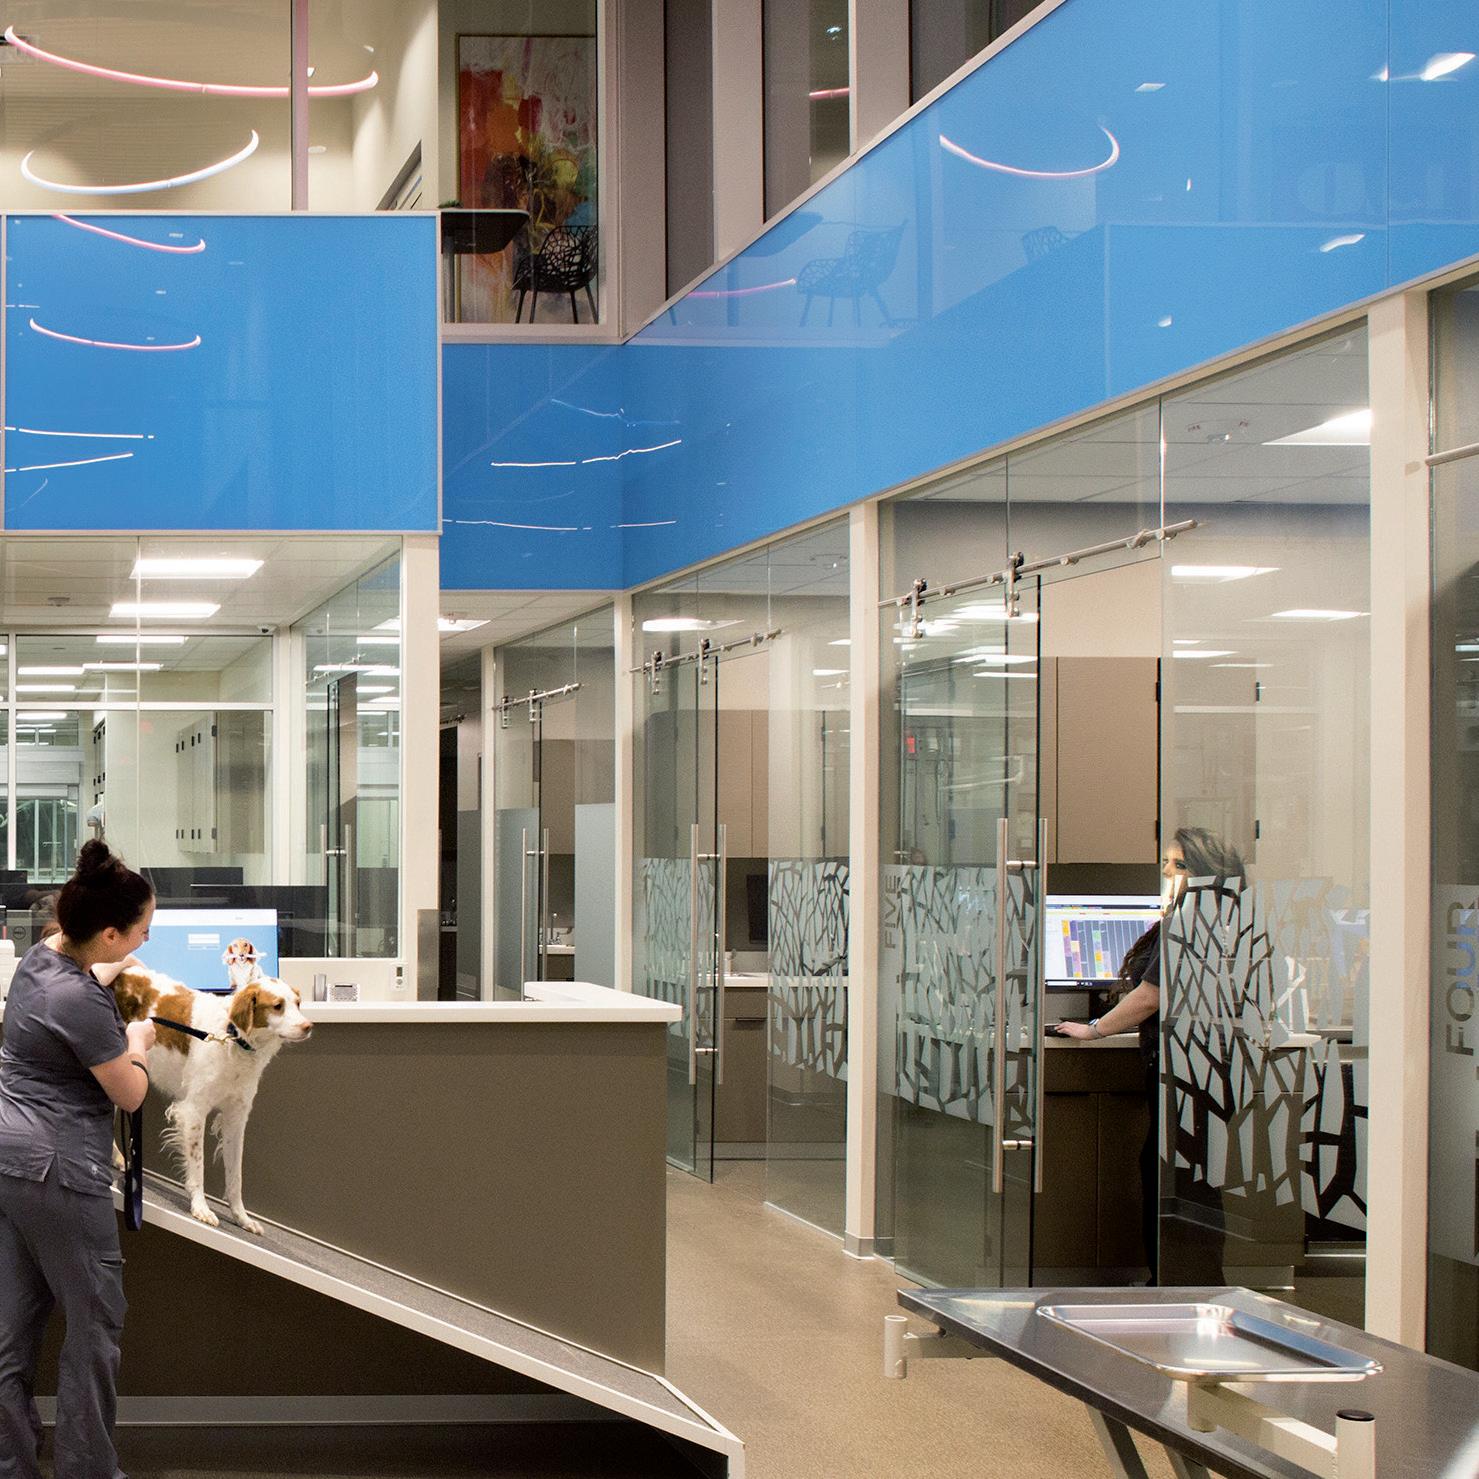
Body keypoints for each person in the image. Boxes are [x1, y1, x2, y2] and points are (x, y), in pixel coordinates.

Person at [0, 841, 155, 1479]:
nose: (147, 940)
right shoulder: (84, 1006)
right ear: (109, 933)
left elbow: (77, 985)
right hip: (62, 1172)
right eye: (142, 930)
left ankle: (12, 1465)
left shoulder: (39, 957)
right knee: (93, 1331)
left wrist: (113, 970)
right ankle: (88, 1471)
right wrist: (137, 1040)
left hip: (10, 1164)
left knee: (11, 1334)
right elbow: (130, 1093)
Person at [1055, 826, 1244, 1282]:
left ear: (1207, 873)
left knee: (1177, 1182)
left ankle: (1180, 1283)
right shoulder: (1229, 918)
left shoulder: (1193, 921)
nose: (1168, 872)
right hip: (1212, 1066)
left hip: (1186, 1069)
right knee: (1194, 1180)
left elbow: (1150, 996)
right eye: (1167, 863)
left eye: (1180, 865)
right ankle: (1190, 1281)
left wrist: (1094, 1029)